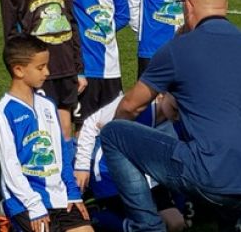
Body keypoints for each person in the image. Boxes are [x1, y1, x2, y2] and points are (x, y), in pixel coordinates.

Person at [98, 0, 241, 232]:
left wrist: (127, 139)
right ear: (225, 5)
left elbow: (132, 105)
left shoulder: (180, 49)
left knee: (114, 134)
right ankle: (240, 221)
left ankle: (148, 227)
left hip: (213, 174)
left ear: (187, 6)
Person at [0, 36, 93, 232]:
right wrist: (33, 205)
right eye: (40, 67)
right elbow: (10, 165)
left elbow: (62, 153)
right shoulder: (5, 111)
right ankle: (6, 215)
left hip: (60, 197)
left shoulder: (48, 105)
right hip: (26, 201)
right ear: (19, 70)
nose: (47, 72)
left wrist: (72, 192)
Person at [0, 0, 87, 146]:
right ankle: (39, 173)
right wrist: (22, 71)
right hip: (37, 69)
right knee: (43, 131)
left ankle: (65, 174)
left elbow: (71, 22)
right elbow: (11, 33)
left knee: (65, 129)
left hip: (66, 66)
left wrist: (79, 68)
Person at [75, 94, 186, 232]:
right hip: (108, 171)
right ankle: (97, 216)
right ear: (162, 94)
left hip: (145, 177)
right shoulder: (135, 105)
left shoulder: (171, 127)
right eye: (175, 109)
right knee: (148, 226)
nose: (177, 117)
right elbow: (91, 125)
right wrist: (82, 167)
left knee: (176, 223)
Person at [66, 0, 130, 133]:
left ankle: (102, 162)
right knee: (83, 126)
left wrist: (103, 31)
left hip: (111, 67)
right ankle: (82, 161)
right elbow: (65, 17)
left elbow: (123, 14)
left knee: (111, 125)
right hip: (84, 68)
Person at [126, 0, 197, 77]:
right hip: (151, 44)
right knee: (149, 92)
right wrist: (142, 29)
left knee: (182, 90)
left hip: (184, 41)